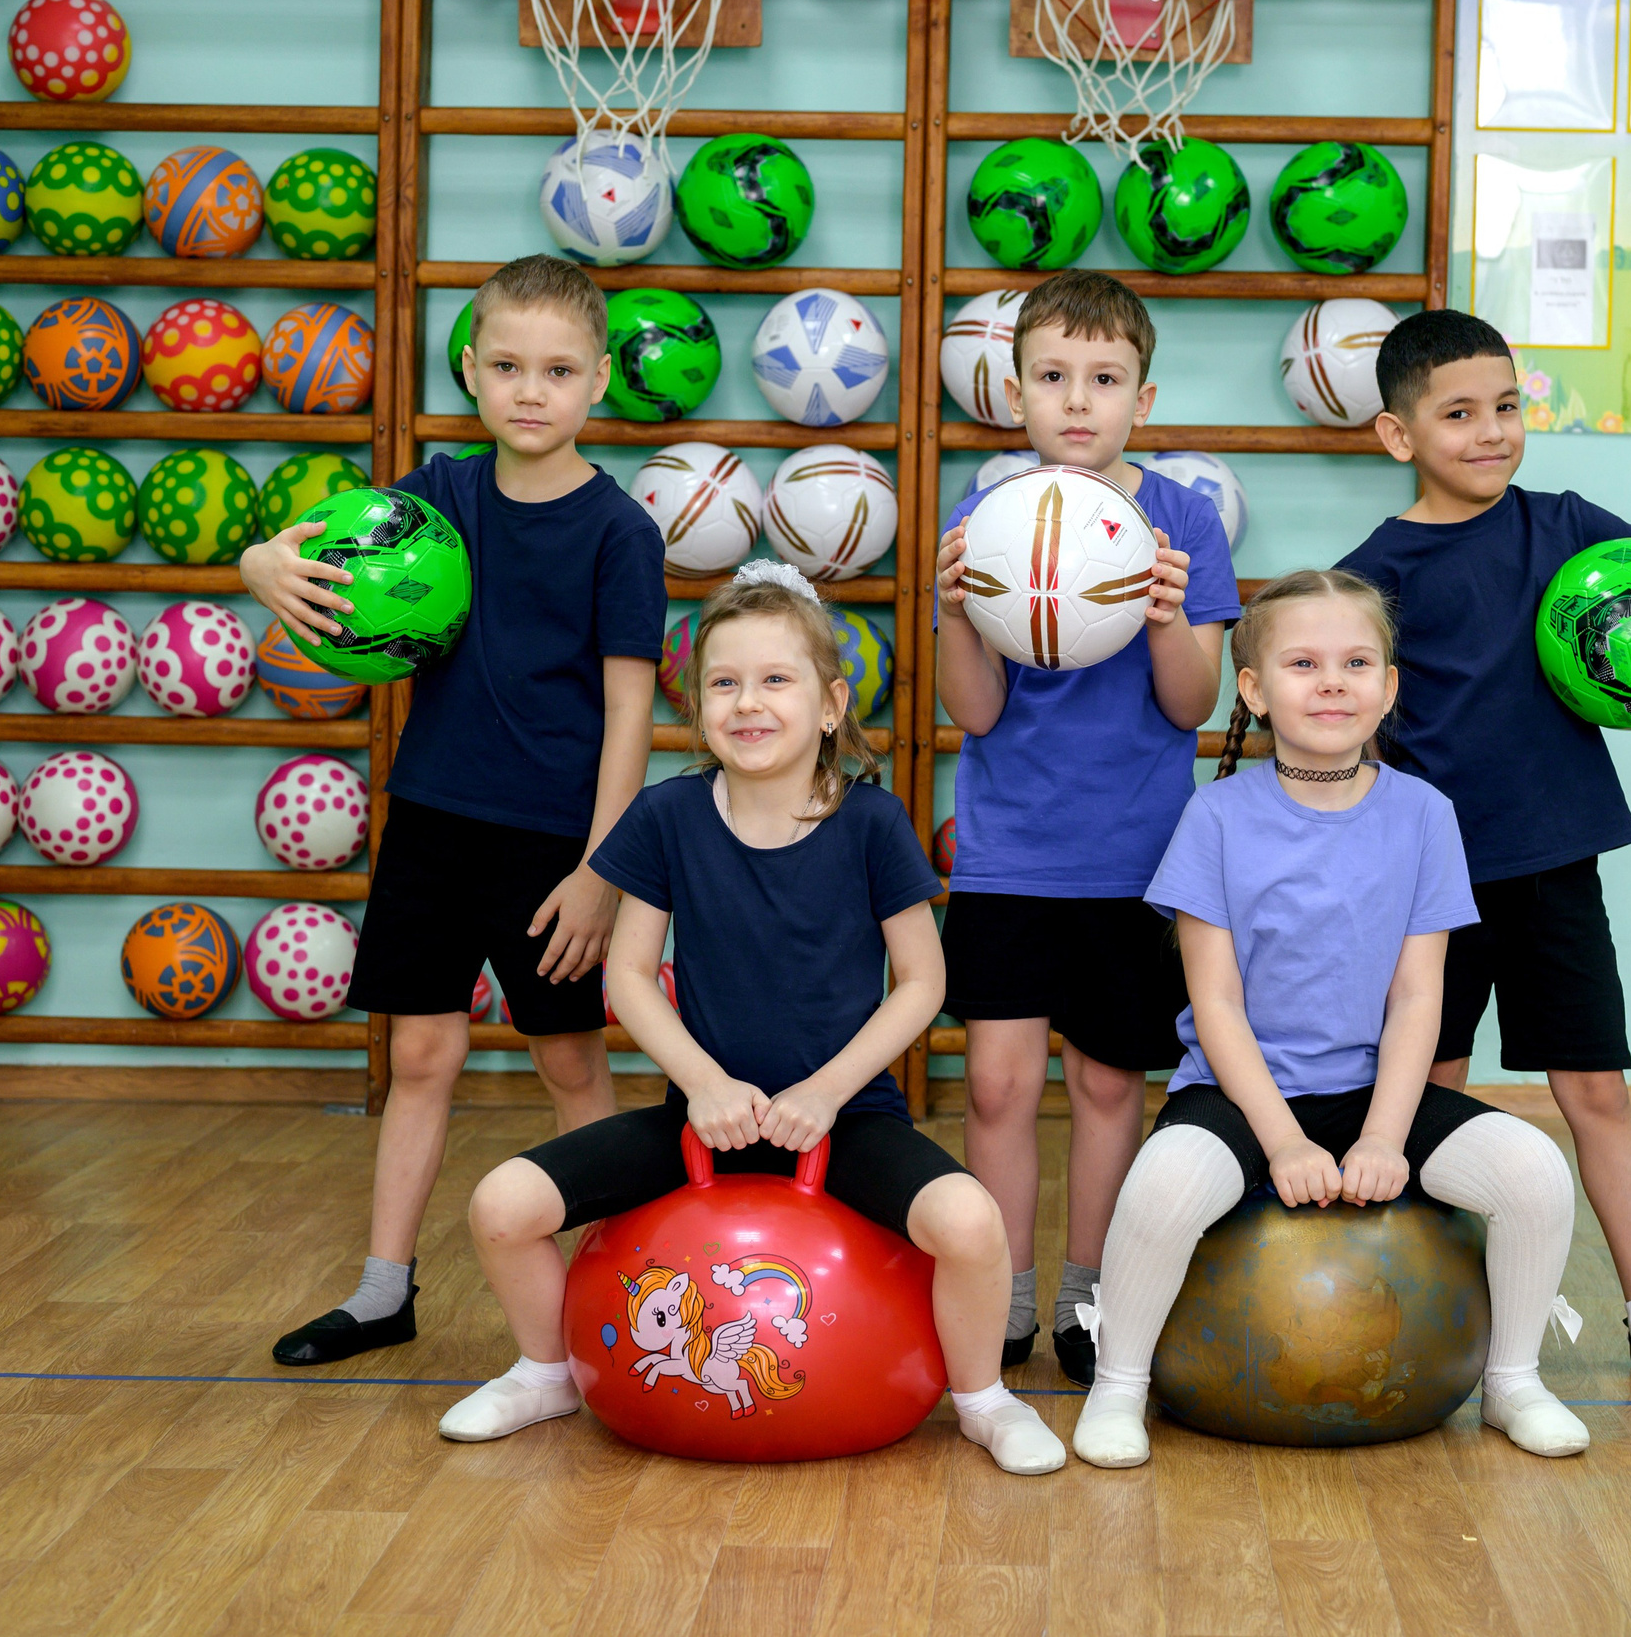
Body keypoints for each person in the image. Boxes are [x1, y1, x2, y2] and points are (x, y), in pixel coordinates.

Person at [435, 567, 1065, 1476]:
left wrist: (825, 1092)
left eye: (776, 679)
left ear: (830, 704)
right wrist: (703, 1083)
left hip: (845, 1120)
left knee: (971, 1223)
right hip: (702, 1119)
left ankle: (983, 1400)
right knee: (502, 1204)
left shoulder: (873, 821)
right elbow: (630, 975)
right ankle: (544, 1373)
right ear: (699, 707)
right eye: (724, 682)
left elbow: (922, 981)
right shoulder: (668, 813)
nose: (748, 702)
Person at [243, 255, 667, 1366]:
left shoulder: (620, 532)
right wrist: (257, 565)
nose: (532, 390)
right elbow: (295, 554)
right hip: (431, 818)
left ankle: (612, 1290)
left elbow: (631, 712)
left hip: (556, 845)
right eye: (509, 366)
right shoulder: (435, 494)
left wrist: (603, 868)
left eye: (559, 370)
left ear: (599, 380)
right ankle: (383, 1290)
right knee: (421, 1051)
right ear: (471, 370)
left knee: (569, 1062)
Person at [1071, 570, 1588, 1468]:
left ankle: (1512, 1382)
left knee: (1535, 1171)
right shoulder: (1215, 815)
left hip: (1371, 1089)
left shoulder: (1425, 814)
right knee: (1158, 1189)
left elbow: (1418, 995)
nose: (1333, 682)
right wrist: (1281, 1141)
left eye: (1356, 662)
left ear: (1388, 686)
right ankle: (1119, 1385)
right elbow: (1216, 1003)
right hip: (1240, 1093)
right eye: (1303, 664)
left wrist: (1384, 1134)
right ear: (1254, 689)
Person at [1337, 309, 1631, 1399]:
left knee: (1595, 1088)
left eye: (1506, 406)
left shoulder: (1565, 524)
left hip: (1557, 860)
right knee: (1425, 1087)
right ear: (1398, 434)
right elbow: (1344, 723)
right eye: (1459, 413)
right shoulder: (1371, 574)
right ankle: (1416, 1304)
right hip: (1430, 886)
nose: (1491, 431)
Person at [932, 270, 1241, 1385]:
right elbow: (973, 711)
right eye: (1053, 376)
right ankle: (1004, 1287)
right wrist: (953, 610)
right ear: (1015, 394)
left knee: (1110, 1084)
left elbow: (1191, 705)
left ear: (1141, 400)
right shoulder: (983, 521)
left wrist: (1163, 614)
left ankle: (1089, 1291)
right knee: (999, 1084)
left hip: (1137, 860)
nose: (1077, 399)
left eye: (1104, 379)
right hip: (1010, 851)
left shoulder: (1184, 519)